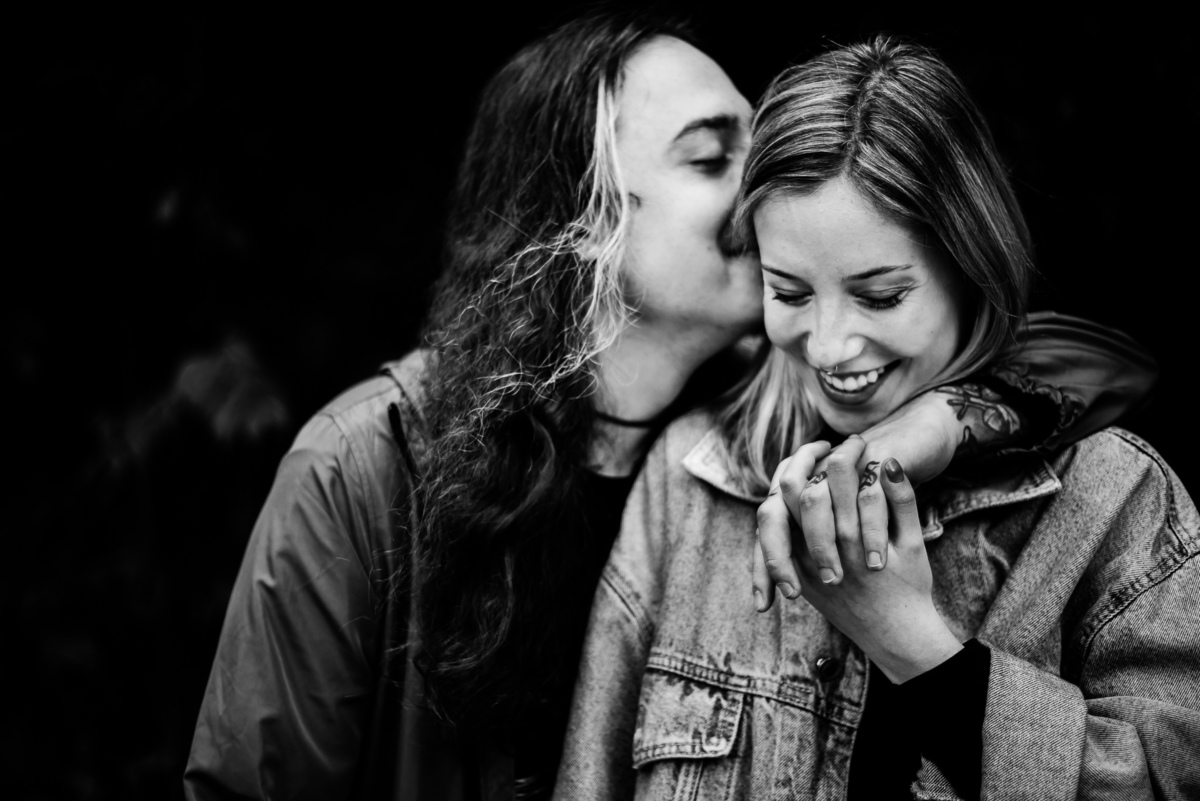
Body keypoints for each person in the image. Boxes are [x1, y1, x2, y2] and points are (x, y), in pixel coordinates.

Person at [184, 14, 1158, 801]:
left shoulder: (763, 409)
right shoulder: (368, 465)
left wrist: (937, 423)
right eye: (710, 158)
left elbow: (1095, 361)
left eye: (757, 146)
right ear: (583, 220)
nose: (761, 189)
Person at [554, 35, 1194, 801]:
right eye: (789, 292)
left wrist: (916, 647)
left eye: (881, 296)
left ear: (971, 265)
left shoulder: (1116, 500)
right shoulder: (690, 477)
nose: (829, 346)